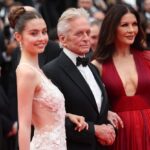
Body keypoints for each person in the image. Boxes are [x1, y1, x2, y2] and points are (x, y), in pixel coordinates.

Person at [8, 6, 89, 150]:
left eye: (44, 32)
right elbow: (25, 125)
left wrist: (66, 115)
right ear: (18, 37)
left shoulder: (37, 70)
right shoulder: (27, 72)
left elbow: (40, 109)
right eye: (34, 33)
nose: (42, 38)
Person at [43, 8, 117, 150]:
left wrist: (110, 129)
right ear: (63, 39)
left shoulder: (93, 68)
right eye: (79, 34)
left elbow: (100, 110)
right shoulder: (51, 71)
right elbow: (54, 121)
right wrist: (94, 130)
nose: (86, 38)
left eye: (88, 33)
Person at [92, 3, 150, 150]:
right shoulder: (97, 65)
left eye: (135, 24)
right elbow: (92, 105)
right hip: (117, 134)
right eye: (125, 25)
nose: (132, 30)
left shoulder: (148, 58)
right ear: (112, 28)